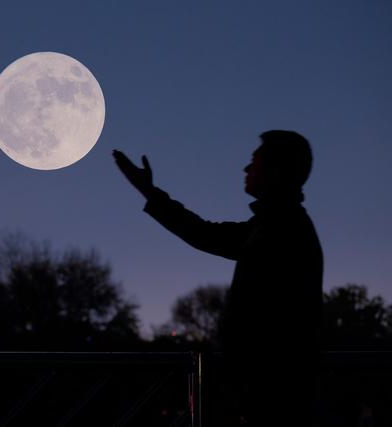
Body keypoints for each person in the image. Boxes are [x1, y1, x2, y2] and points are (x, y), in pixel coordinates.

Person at [113, 130, 323, 426]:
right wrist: (150, 192)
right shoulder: (273, 225)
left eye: (255, 161)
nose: (246, 169)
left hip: (272, 395)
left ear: (277, 171)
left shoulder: (283, 230)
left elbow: (276, 325)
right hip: (267, 391)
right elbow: (205, 233)